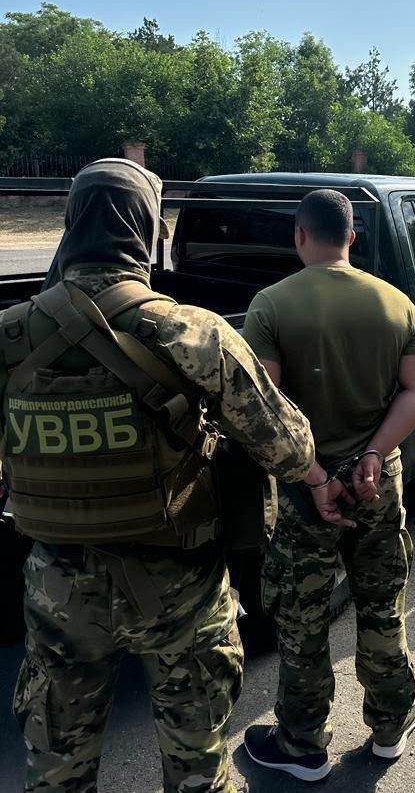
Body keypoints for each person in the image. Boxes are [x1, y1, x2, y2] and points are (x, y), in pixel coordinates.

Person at [1, 158, 323, 793]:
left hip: (59, 590)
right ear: (148, 230)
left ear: (70, 225)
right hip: (179, 587)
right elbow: (289, 448)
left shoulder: (9, 336)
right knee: (200, 768)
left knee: (56, 774)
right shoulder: (190, 331)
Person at [241, 187, 415, 780]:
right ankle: (390, 724)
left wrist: (317, 475)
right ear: (352, 237)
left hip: (307, 493)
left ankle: (302, 744)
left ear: (300, 235)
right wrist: (373, 453)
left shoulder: (271, 305)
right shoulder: (397, 304)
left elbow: (266, 409)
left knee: (302, 619)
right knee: (381, 604)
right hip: (379, 484)